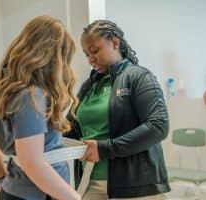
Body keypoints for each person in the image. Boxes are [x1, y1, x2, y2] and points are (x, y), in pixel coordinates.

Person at [0, 15, 81, 200]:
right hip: (41, 194)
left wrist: (2, 179)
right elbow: (31, 161)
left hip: (14, 191)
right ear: (52, 57)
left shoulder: (4, 87)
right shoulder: (31, 95)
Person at [66, 19, 170, 200]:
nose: (91, 59)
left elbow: (158, 126)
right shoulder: (89, 86)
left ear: (115, 43)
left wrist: (106, 149)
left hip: (136, 187)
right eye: (86, 54)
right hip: (90, 182)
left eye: (95, 50)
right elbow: (73, 128)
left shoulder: (139, 77)